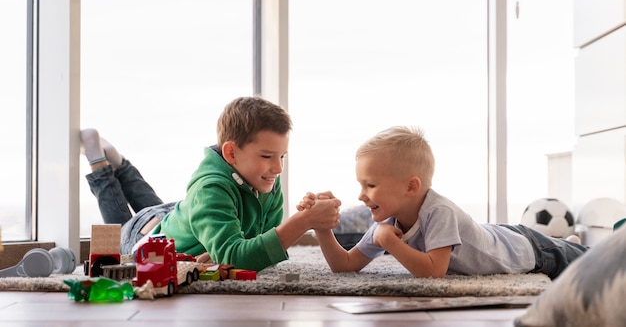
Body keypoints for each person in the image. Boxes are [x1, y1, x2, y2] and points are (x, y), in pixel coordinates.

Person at [81, 96, 342, 272]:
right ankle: (100, 163)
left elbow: (257, 248)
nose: (278, 167)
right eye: (267, 156)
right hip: (146, 236)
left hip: (181, 216)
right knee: (121, 226)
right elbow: (238, 256)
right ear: (231, 154)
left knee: (157, 209)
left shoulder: (265, 178)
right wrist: (302, 221)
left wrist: (224, 254)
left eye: (282, 156)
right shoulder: (210, 190)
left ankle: (122, 165)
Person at [299, 126, 588, 280]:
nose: (361, 195)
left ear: (411, 186)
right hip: (497, 234)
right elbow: (345, 266)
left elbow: (434, 272)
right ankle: (567, 242)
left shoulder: (438, 211)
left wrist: (391, 243)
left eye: (370, 185)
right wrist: (322, 228)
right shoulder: (388, 220)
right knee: (572, 252)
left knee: (588, 261)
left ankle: (569, 244)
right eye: (361, 185)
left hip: (527, 251)